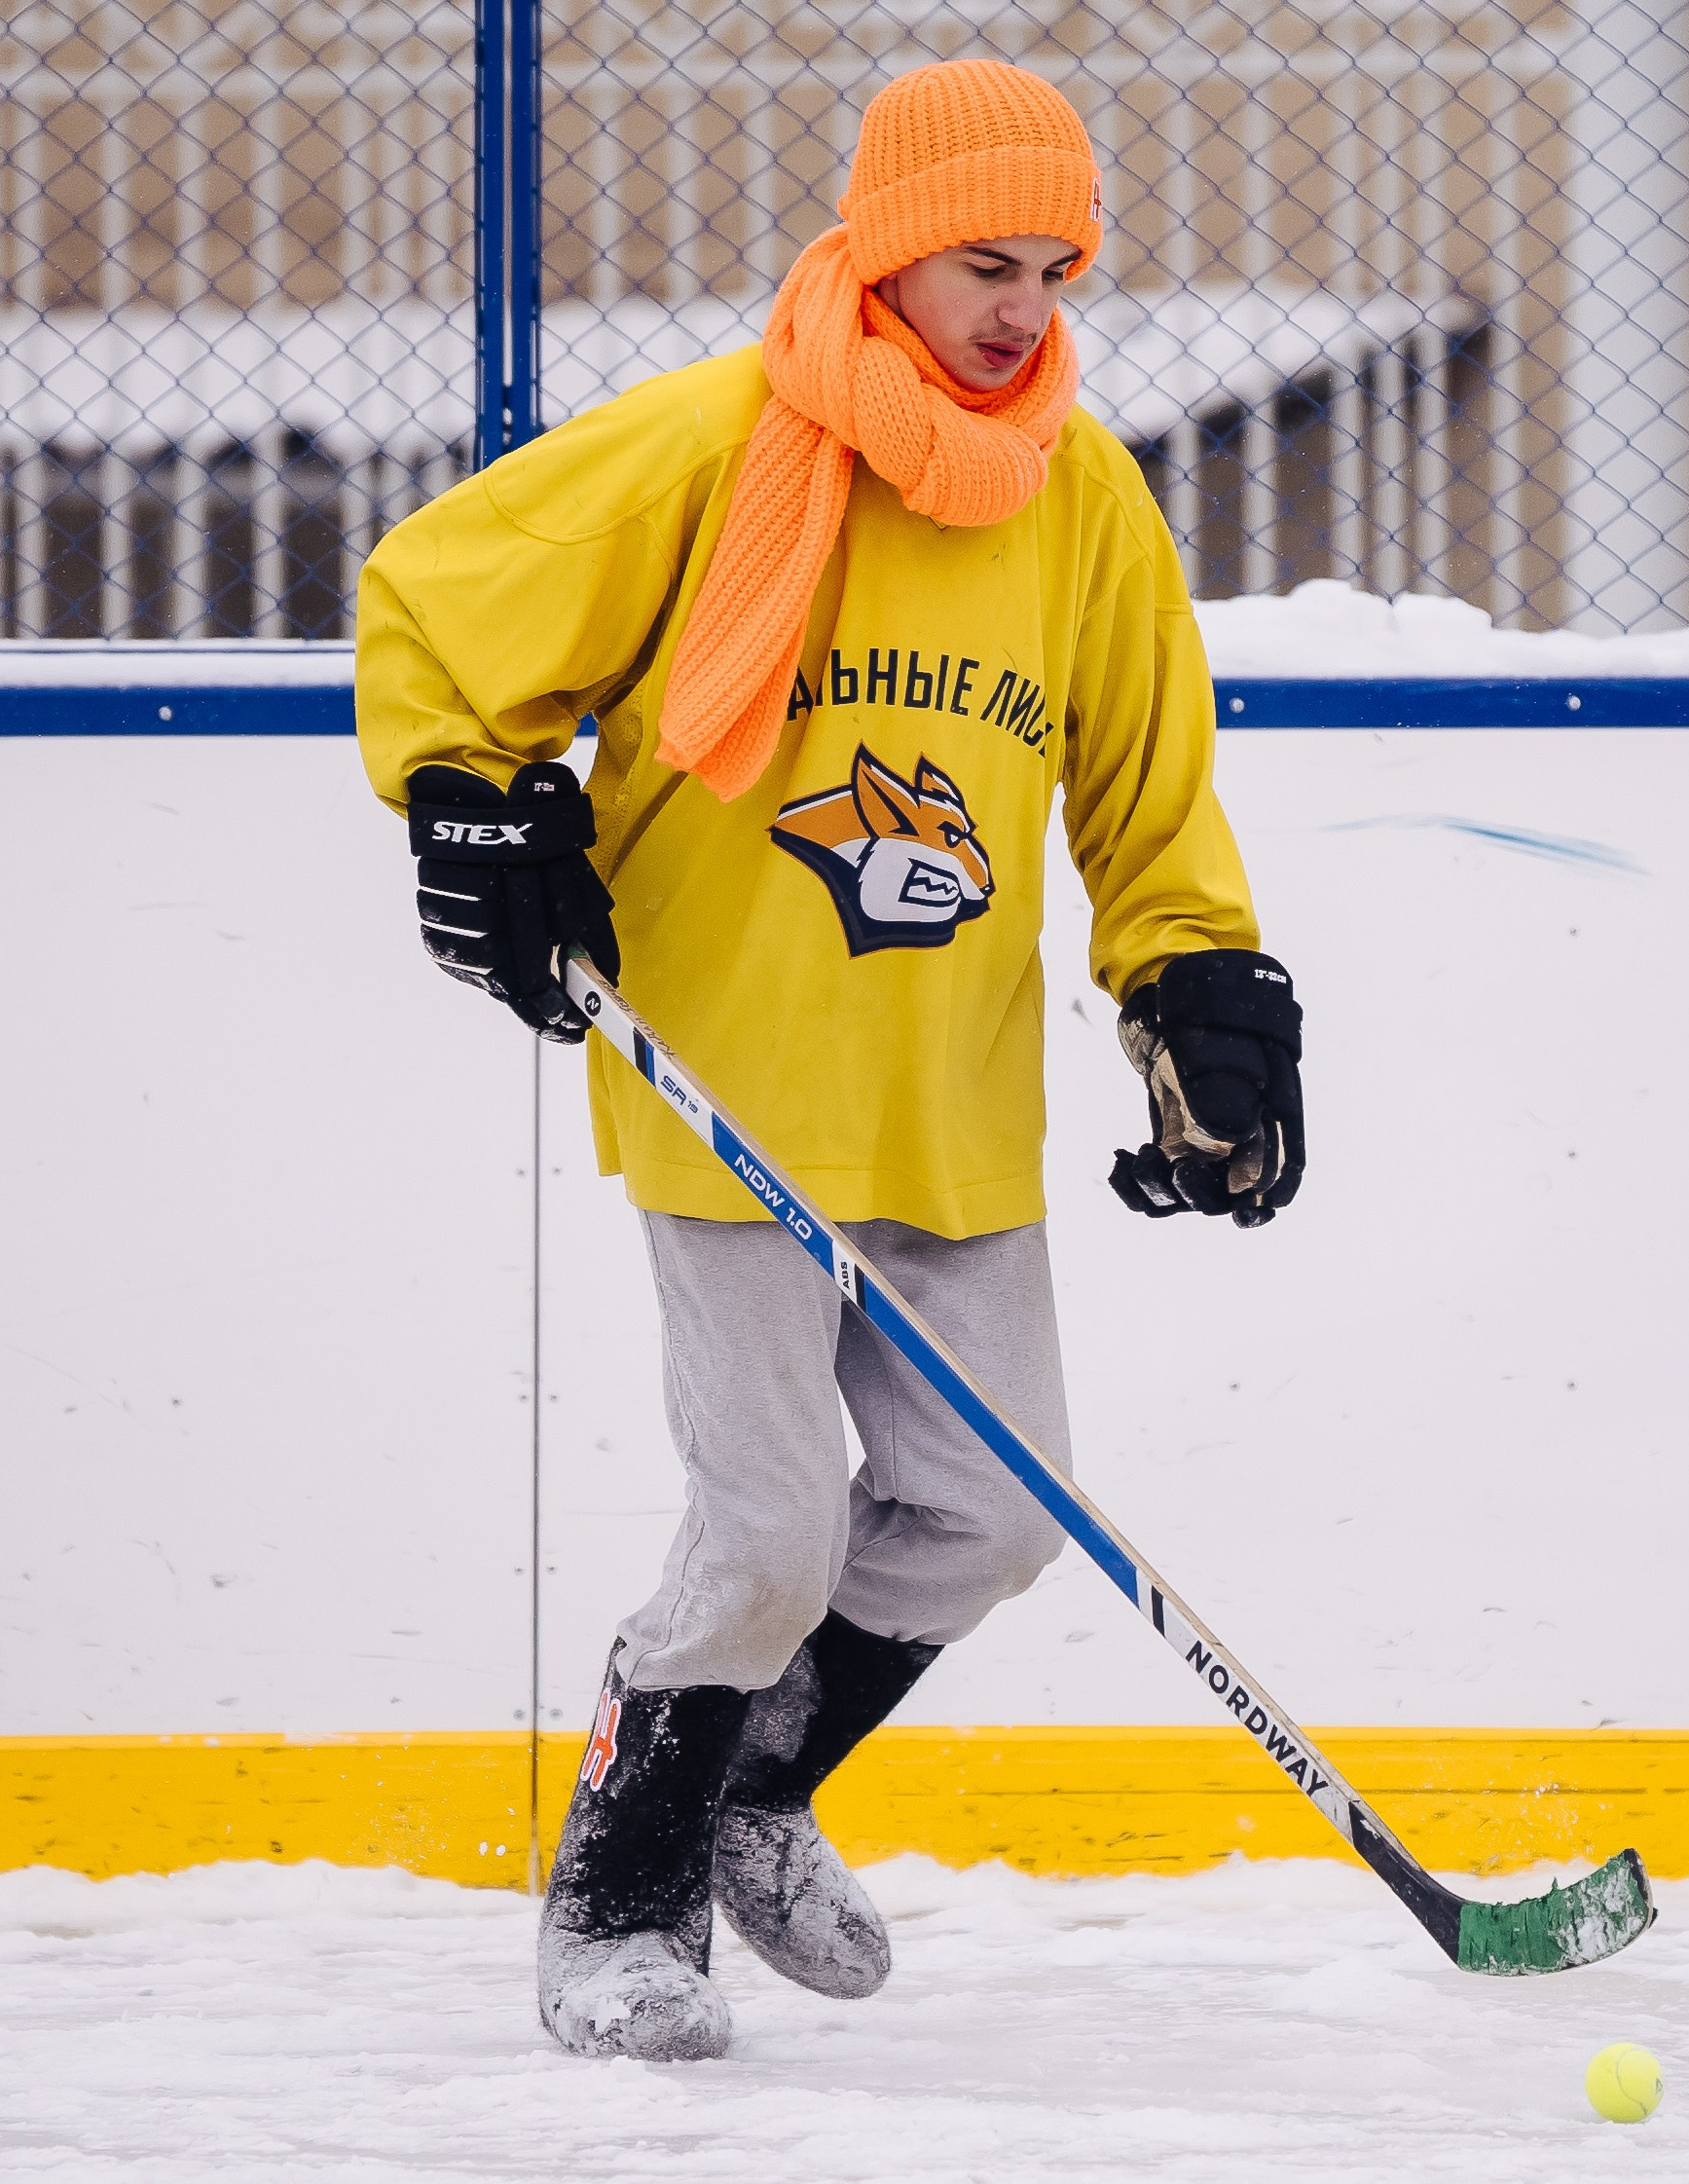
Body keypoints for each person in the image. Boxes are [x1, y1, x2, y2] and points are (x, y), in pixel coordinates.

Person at [353, 56, 1306, 2062]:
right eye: (983, 259)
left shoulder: (1083, 496)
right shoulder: (715, 443)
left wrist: (1204, 988)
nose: (1023, 304)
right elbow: (437, 605)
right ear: (885, 249)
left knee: (993, 1510)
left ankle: (749, 1793)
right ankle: (620, 1890)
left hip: (948, 1099)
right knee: (775, 1527)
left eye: (1055, 265)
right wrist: (472, 805)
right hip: (728, 1070)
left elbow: (1144, 796)